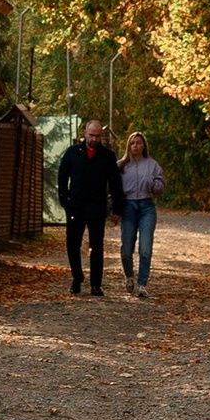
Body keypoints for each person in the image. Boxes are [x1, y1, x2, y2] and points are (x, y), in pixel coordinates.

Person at [56, 118, 119, 296]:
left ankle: (95, 284)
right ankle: (77, 277)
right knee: (72, 244)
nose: (94, 139)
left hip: (97, 207)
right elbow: (62, 175)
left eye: (98, 136)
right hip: (75, 206)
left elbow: (114, 182)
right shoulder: (73, 152)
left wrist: (117, 208)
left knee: (97, 246)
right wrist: (64, 199)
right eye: (91, 135)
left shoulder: (107, 156)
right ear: (85, 133)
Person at [119, 129, 166, 293]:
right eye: (132, 143)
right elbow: (112, 188)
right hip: (128, 206)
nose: (135, 146)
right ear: (128, 146)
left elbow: (161, 184)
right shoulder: (121, 166)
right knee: (126, 250)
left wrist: (155, 185)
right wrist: (113, 207)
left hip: (147, 207)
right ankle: (129, 276)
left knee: (145, 248)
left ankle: (141, 284)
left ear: (144, 145)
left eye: (139, 143)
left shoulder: (152, 165)